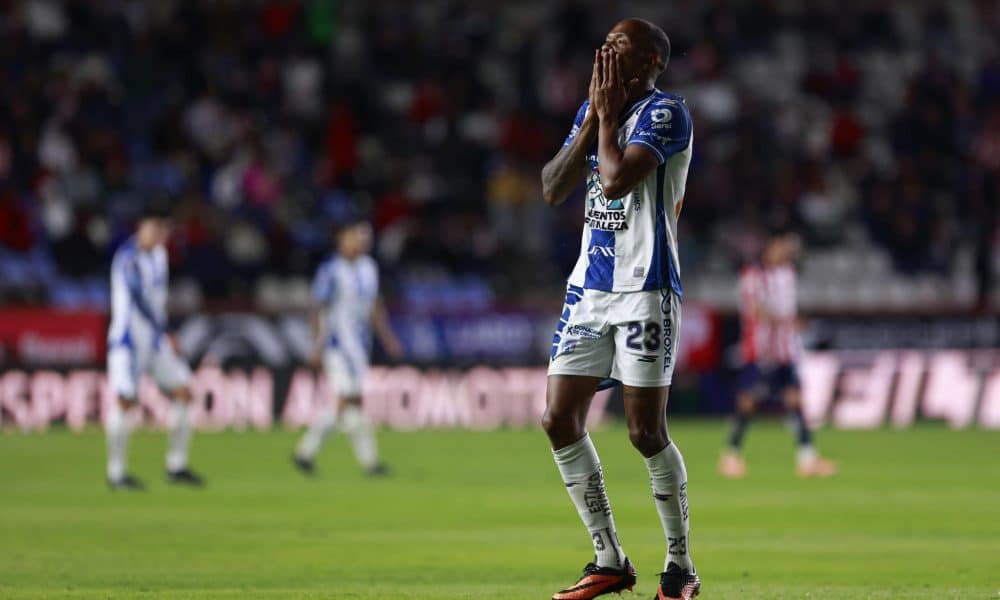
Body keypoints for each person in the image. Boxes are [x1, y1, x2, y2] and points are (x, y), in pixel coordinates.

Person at [540, 18, 700, 600]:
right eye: (603, 42)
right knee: (558, 419)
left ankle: (680, 567)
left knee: (644, 431)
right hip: (590, 289)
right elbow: (553, 187)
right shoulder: (592, 112)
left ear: (650, 62)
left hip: (646, 289)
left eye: (619, 47)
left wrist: (605, 119)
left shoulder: (666, 114)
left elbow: (613, 181)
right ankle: (609, 559)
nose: (605, 52)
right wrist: (591, 120)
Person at [719, 230, 838, 479]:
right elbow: (756, 311)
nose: (787, 249)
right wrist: (788, 322)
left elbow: (787, 309)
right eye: (782, 244)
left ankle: (807, 459)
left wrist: (791, 325)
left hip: (786, 351)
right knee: (748, 402)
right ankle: (730, 455)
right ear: (770, 246)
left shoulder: (788, 274)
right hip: (761, 351)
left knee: (795, 400)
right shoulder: (753, 275)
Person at [292, 218, 403, 477]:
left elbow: (375, 306)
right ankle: (307, 452)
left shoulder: (369, 268)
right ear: (342, 240)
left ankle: (367, 462)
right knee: (345, 401)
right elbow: (317, 307)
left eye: (362, 237)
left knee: (352, 403)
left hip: (359, 347)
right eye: (354, 236)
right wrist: (316, 345)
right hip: (337, 346)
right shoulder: (331, 271)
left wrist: (388, 338)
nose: (360, 241)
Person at [105, 204, 204, 490]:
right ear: (140, 228)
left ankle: (176, 465)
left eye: (161, 230)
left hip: (154, 342)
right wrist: (167, 330)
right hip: (128, 342)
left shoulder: (160, 256)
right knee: (126, 400)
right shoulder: (128, 259)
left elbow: (157, 301)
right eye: (151, 229)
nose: (156, 235)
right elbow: (138, 299)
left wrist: (161, 332)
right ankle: (116, 473)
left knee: (184, 392)